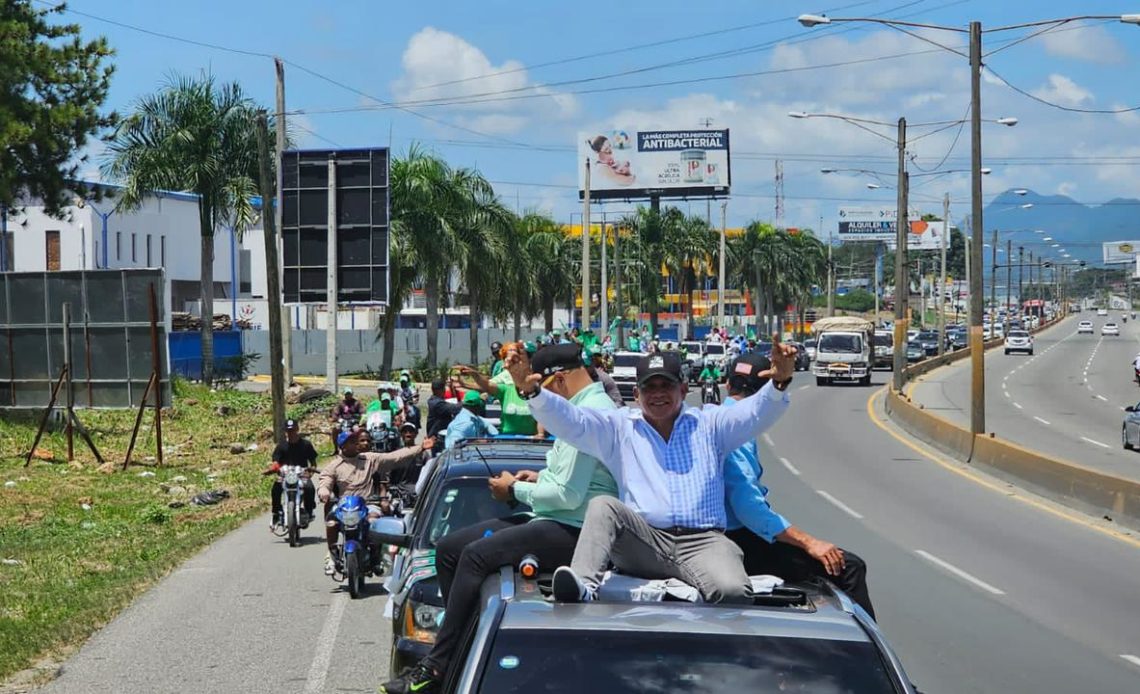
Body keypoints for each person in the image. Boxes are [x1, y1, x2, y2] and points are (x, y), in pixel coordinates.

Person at [379, 344, 619, 694]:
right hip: (557, 516)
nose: (544, 406)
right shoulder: (580, 406)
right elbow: (569, 479)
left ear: (561, 380)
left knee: (476, 555)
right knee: (448, 549)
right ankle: (458, 650)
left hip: (577, 528)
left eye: (545, 392)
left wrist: (513, 491)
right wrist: (536, 478)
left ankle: (436, 667)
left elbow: (567, 496)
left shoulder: (590, 414)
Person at [504, 343, 795, 604]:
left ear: (682, 390)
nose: (657, 394)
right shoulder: (619, 428)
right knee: (603, 506)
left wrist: (779, 383)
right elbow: (573, 421)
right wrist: (532, 392)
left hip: (703, 541)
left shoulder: (711, 424)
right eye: (649, 387)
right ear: (636, 393)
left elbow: (754, 414)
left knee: (733, 593)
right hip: (644, 542)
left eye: (665, 386)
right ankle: (582, 586)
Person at [722, 353, 876, 618]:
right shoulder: (735, 430)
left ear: (727, 385)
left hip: (719, 539)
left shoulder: (715, 417)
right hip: (738, 541)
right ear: (763, 397)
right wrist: (809, 543)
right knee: (847, 567)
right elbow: (748, 507)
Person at [317, 430, 434, 574]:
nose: (355, 443)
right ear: (343, 446)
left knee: (375, 522)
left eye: (355, 440)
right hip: (344, 506)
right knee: (331, 522)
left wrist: (420, 447)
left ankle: (376, 557)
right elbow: (325, 481)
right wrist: (324, 492)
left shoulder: (370, 459)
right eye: (351, 441)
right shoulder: (334, 466)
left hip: (368, 504)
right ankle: (332, 554)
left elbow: (394, 457)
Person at [263, 419, 318, 530]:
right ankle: (276, 514)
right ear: (285, 432)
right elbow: (275, 462)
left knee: (310, 488)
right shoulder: (281, 446)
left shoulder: (306, 444)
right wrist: (273, 469)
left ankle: (309, 511)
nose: (291, 433)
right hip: (285, 475)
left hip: (301, 474)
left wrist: (310, 472)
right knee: (275, 489)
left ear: (297, 429)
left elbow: (313, 463)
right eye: (288, 431)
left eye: (293, 430)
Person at [426, 378, 462, 443]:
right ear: (442, 389)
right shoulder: (438, 404)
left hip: (437, 436)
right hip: (437, 438)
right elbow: (455, 408)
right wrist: (468, 400)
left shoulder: (435, 400)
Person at [329, 387, 364, 452]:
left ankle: (359, 447)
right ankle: (336, 448)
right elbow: (335, 413)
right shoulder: (341, 403)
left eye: (349, 394)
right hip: (343, 422)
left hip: (354, 422)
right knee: (335, 429)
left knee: (357, 430)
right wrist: (338, 419)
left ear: (352, 394)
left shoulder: (357, 403)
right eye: (346, 394)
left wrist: (359, 420)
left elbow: (363, 413)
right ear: (344, 395)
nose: (348, 396)